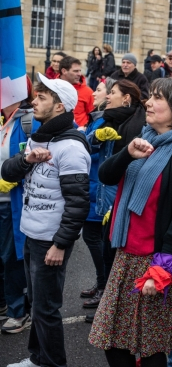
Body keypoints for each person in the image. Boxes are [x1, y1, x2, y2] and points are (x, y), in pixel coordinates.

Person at [89, 78, 172, 367]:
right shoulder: (144, 139)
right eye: (149, 96)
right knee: (114, 342)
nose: (148, 102)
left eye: (158, 98)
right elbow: (105, 176)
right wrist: (127, 153)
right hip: (127, 256)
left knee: (151, 349)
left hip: (157, 260)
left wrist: (161, 270)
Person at [3, 73, 91, 367]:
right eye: (35, 96)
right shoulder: (39, 138)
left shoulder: (71, 147)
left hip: (50, 242)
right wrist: (27, 160)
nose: (33, 101)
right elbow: (8, 173)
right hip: (31, 233)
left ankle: (53, 363)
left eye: (42, 97)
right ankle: (38, 358)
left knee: (47, 308)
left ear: (59, 107)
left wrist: (61, 244)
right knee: (38, 305)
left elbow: (78, 204)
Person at [84, 79, 146, 324]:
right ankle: (108, 303)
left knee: (115, 254)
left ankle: (113, 308)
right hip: (103, 194)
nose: (107, 97)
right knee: (105, 250)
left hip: (120, 197)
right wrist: (97, 138)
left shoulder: (138, 124)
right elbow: (86, 146)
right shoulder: (106, 119)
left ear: (127, 98)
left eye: (112, 93)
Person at [0, 78, 40, 335]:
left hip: (11, 203)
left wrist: (11, 179)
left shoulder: (28, 121)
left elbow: (38, 159)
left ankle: (18, 310)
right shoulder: (4, 120)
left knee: (11, 258)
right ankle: (5, 303)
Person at [79, 77, 116, 313]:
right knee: (94, 239)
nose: (94, 94)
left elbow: (94, 153)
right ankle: (101, 283)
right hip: (93, 185)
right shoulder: (98, 118)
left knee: (96, 239)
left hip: (98, 187)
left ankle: (105, 288)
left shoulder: (105, 121)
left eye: (100, 90)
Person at [59, 56, 94, 127]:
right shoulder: (51, 87)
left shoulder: (88, 92)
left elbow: (93, 115)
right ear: (64, 71)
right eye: (75, 71)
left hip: (78, 133)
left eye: (80, 70)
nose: (79, 74)